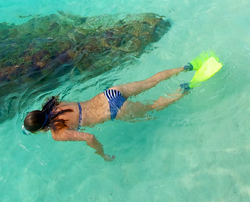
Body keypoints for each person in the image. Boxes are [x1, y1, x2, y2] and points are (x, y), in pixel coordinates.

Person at [23, 65, 194, 161]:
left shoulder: (57, 133)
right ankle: (184, 68)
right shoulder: (54, 104)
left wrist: (102, 154)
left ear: (39, 129)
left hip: (113, 111)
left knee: (152, 107)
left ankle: (183, 90)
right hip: (109, 94)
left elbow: (89, 137)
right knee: (150, 81)